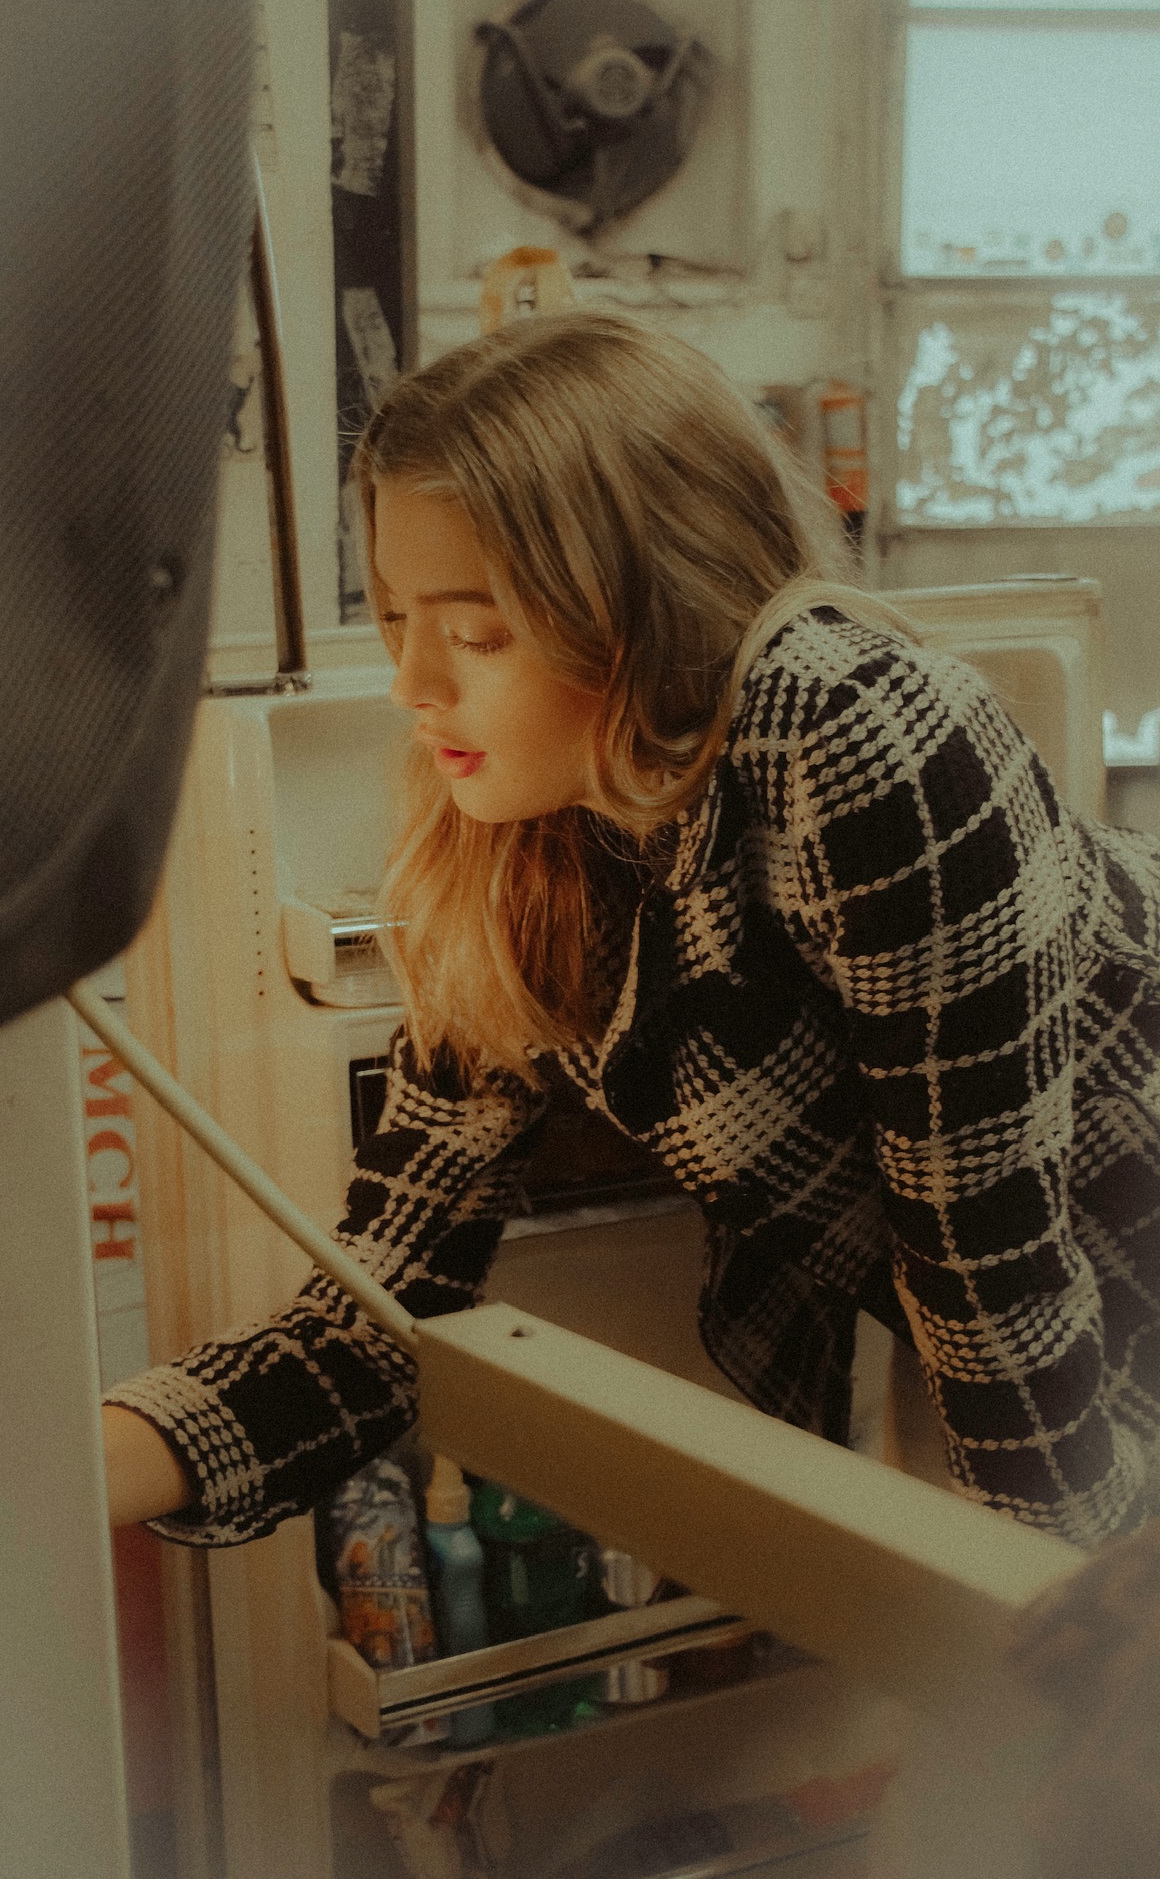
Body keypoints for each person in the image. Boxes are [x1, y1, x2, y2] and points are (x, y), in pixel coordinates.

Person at [101, 309, 1160, 1556]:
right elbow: (376, 1314)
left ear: (649, 605)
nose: (411, 684)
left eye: (479, 631)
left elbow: (985, 1252)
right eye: (396, 617)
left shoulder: (851, 725)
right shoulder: (507, 851)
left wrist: (1061, 1652)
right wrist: (57, 1467)